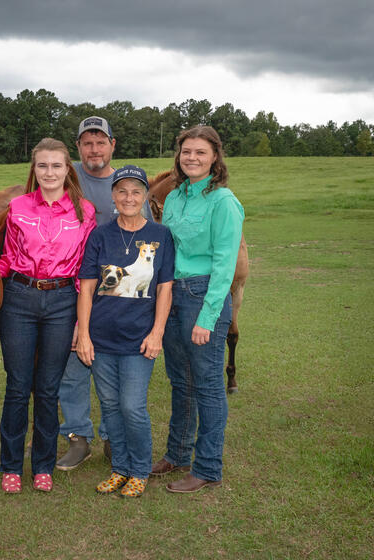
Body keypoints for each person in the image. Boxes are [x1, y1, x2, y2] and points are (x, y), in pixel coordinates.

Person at [0, 137, 97, 493]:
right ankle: (10, 465)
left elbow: (87, 269)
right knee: (18, 386)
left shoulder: (84, 210)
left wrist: (81, 322)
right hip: (20, 299)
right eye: (43, 165)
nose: (49, 172)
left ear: (67, 168)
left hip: (61, 303)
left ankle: (42, 465)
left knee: (48, 388)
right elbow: (7, 257)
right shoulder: (18, 206)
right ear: (34, 169)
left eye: (56, 165)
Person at [57, 116, 154, 470]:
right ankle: (78, 436)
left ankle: (114, 437)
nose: (94, 149)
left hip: (118, 293)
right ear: (78, 148)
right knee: (73, 365)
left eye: (100, 142)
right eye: (87, 143)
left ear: (113, 144)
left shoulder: (126, 184)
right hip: (73, 288)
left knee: (111, 365)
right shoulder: (66, 180)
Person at [151, 125, 244, 493]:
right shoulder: (174, 198)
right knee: (180, 381)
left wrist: (207, 317)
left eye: (200, 153)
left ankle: (207, 467)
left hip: (203, 295)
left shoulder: (224, 202)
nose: (192, 158)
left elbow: (225, 265)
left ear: (215, 158)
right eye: (186, 152)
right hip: (172, 295)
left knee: (206, 384)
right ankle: (178, 453)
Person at [75, 165, 174, 498]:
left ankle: (139, 469)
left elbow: (164, 289)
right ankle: (119, 467)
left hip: (139, 340)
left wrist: (157, 332)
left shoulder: (161, 236)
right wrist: (84, 335)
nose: (128, 198)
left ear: (145, 196)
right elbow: (87, 288)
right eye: (122, 191)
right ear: (113, 196)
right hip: (102, 339)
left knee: (132, 406)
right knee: (111, 406)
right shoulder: (100, 235)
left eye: (136, 191)